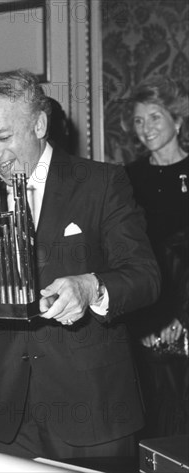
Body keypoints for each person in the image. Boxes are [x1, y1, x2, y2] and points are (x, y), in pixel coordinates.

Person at [0, 69, 160, 459]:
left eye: (4, 138)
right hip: (8, 407)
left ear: (39, 124)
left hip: (92, 405)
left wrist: (90, 287)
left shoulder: (101, 182)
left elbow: (146, 277)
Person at [123, 75, 189, 436]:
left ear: (177, 119)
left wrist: (182, 314)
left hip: (187, 303)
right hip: (147, 305)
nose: (144, 128)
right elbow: (127, 253)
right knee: (153, 410)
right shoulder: (128, 178)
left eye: (154, 117)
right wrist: (153, 319)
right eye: (138, 120)